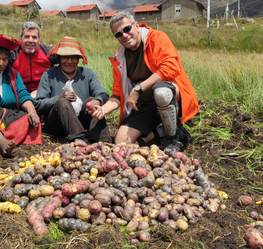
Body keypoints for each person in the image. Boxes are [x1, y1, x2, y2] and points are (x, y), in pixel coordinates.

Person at [89, 11, 199, 155]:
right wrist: (102, 110)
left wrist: (138, 89)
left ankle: (174, 139)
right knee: (122, 141)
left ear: (135, 25)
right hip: (144, 105)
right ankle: (161, 131)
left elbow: (170, 67)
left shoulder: (157, 38)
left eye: (127, 29)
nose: (124, 35)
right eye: (118, 34)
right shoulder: (120, 57)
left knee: (161, 92)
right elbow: (118, 94)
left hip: (171, 97)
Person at [35, 36, 111, 143]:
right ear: (59, 58)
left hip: (83, 123)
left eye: (73, 57)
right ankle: (81, 140)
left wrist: (97, 101)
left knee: (91, 102)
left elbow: (102, 93)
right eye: (65, 57)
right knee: (62, 102)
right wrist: (58, 98)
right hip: (57, 125)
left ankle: (104, 143)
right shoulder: (49, 75)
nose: (69, 61)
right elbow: (38, 104)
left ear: (78, 59)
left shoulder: (88, 74)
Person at [11, 21, 57, 97]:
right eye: (27, 36)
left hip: (43, 93)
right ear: (21, 38)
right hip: (18, 93)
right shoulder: (13, 54)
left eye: (34, 37)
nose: (30, 40)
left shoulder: (47, 53)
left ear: (39, 39)